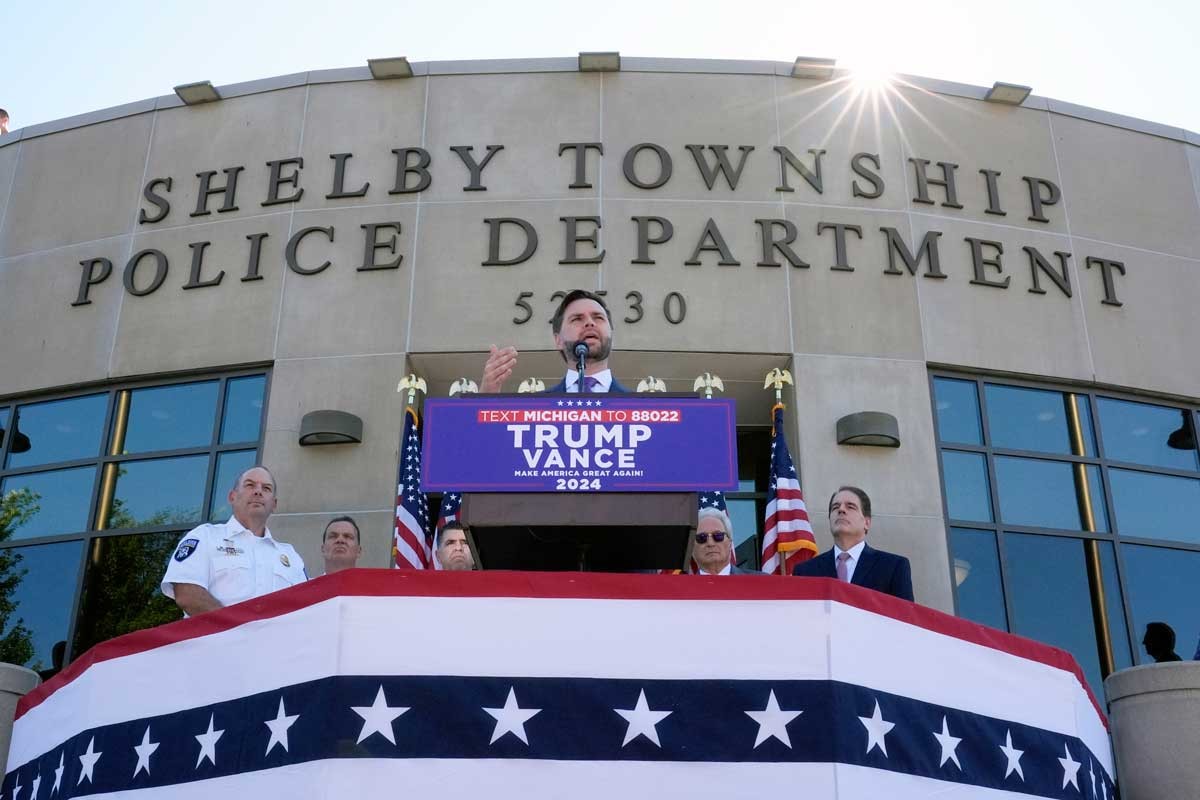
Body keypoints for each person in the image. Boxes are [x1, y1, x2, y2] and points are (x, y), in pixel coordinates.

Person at [161, 466, 307, 615]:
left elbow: (305, 608)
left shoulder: (291, 557)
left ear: (274, 504)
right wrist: (237, 630)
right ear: (232, 497)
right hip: (219, 637)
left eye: (266, 488)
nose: (258, 491)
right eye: (250, 485)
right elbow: (187, 594)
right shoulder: (205, 537)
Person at [481, 289, 631, 393]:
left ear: (611, 334)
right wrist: (485, 401)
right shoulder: (533, 410)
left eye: (598, 317)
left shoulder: (647, 409)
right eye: (577, 318)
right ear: (558, 340)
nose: (590, 323)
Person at [792, 486, 914, 601]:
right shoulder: (805, 571)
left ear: (867, 523)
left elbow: (905, 619)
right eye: (835, 507)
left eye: (850, 507)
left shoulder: (893, 567)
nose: (841, 510)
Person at [692, 507, 761, 576]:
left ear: (730, 543)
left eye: (718, 536)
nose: (710, 543)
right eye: (702, 537)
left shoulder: (762, 582)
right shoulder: (682, 586)